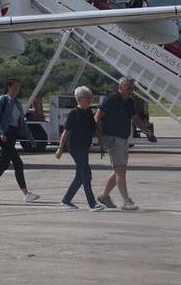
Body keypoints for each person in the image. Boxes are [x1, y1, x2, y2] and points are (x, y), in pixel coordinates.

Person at [0, 79, 40, 202]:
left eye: (18, 88)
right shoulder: (2, 100)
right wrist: (0, 133)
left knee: (3, 165)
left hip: (12, 136)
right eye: (14, 88)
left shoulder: (17, 104)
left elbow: (22, 124)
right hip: (4, 136)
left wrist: (31, 138)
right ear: (8, 87)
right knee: (18, 163)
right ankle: (26, 193)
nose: (17, 90)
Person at [55, 86, 104, 211]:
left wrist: (101, 139)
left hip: (84, 147)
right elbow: (66, 133)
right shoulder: (74, 114)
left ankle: (66, 200)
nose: (90, 100)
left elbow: (94, 127)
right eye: (88, 98)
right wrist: (60, 148)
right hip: (75, 148)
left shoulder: (88, 111)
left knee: (80, 175)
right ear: (80, 99)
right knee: (86, 174)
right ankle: (92, 204)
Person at [95, 77, 139, 210]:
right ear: (121, 87)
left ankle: (104, 196)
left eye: (133, 88)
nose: (131, 91)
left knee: (119, 170)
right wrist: (101, 137)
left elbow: (135, 118)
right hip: (112, 138)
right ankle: (126, 201)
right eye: (129, 88)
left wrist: (147, 131)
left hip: (124, 139)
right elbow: (97, 117)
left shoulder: (130, 102)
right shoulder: (111, 99)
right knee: (120, 169)